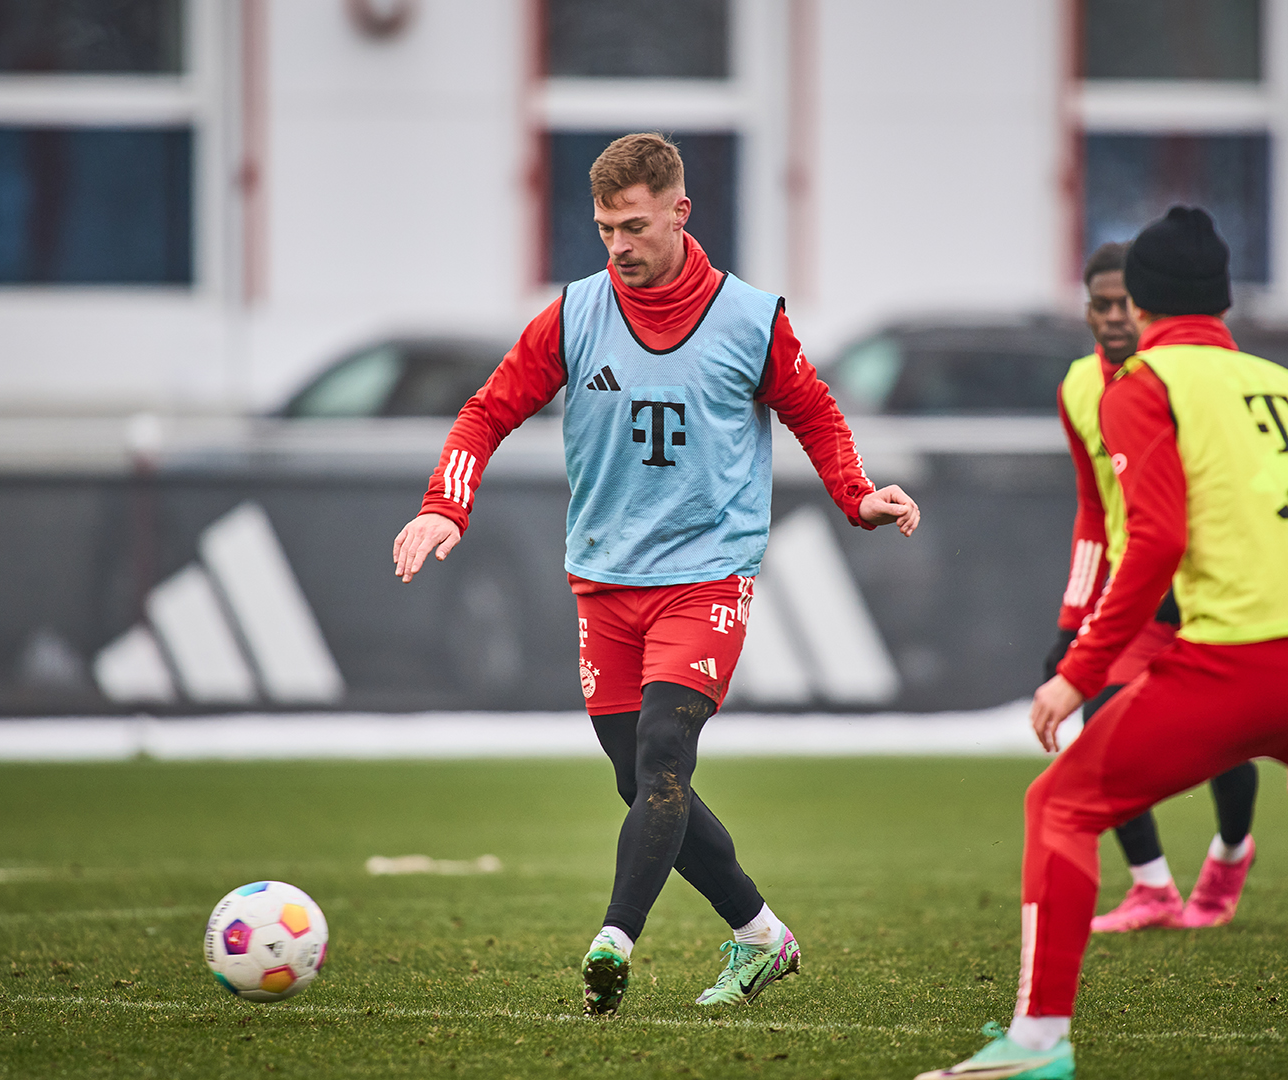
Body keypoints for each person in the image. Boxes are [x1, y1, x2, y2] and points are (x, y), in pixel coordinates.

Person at [916, 207, 1288, 1080]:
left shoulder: (1144, 384)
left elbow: (1151, 542)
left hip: (1244, 653)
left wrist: (1076, 672)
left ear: (1140, 304)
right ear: (1224, 301)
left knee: (1061, 809)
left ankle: (1036, 1048)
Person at [391, 133, 919, 1014]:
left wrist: (855, 495)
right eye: (604, 230)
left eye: (633, 227)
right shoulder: (574, 314)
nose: (617, 247)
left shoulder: (751, 319)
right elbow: (486, 414)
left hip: (707, 574)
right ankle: (761, 936)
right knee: (638, 779)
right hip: (603, 577)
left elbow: (817, 415)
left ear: (680, 210)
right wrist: (445, 504)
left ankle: (613, 940)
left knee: (666, 753)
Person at [1047, 241, 1258, 934]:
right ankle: (1153, 887)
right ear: (1086, 310)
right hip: (1135, 589)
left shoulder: (1182, 377)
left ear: (1145, 307)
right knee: (1100, 726)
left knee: (1226, 741)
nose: (1113, 318)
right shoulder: (1078, 386)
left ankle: (1231, 851)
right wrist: (1073, 617)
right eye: (1100, 305)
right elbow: (1091, 506)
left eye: (1123, 305)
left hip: (1206, 582)